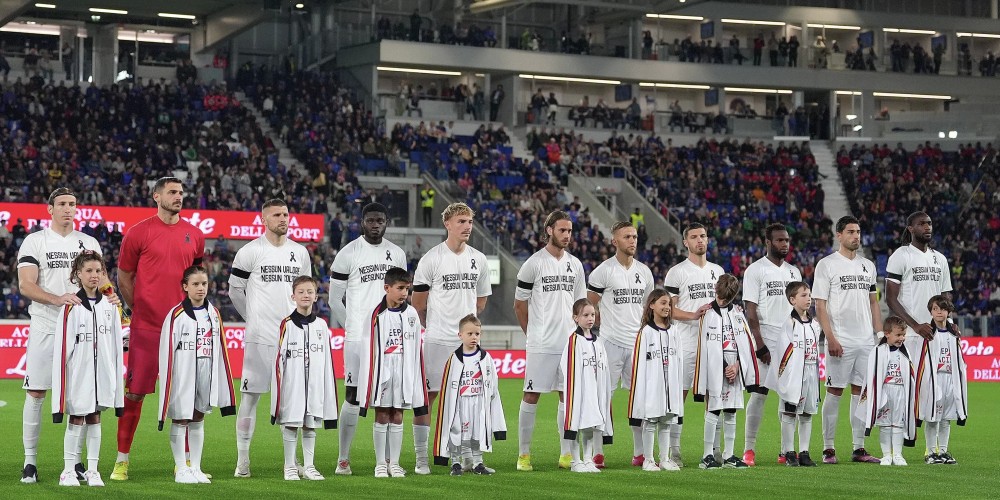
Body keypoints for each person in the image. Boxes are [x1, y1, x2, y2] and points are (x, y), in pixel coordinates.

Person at [113, 177, 206, 481]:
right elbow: (124, 276)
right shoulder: (138, 232)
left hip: (184, 330)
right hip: (148, 328)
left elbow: (196, 276)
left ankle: (186, 464)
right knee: (135, 394)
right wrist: (138, 309)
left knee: (186, 396)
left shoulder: (195, 235)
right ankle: (122, 460)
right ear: (156, 196)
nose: (179, 197)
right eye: (172, 192)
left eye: (181, 192)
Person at [18, 188, 104, 484]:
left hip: (81, 330)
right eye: (63, 204)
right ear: (50, 209)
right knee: (36, 393)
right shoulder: (35, 240)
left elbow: (101, 279)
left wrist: (111, 296)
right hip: (46, 326)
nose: (69, 209)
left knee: (80, 396)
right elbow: (26, 284)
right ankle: (30, 462)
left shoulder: (88, 242)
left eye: (73, 204)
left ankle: (75, 462)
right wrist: (57, 299)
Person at [230, 199, 312, 478]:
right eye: (276, 215)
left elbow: (305, 291)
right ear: (263, 219)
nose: (283, 218)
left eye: (286, 214)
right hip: (260, 338)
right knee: (250, 398)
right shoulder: (250, 251)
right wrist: (252, 318)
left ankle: (292, 460)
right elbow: (234, 291)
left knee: (292, 401)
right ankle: (243, 460)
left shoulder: (300, 252)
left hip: (291, 339)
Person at [411, 202, 491, 474]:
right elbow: (418, 303)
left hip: (466, 344)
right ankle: (422, 459)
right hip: (437, 341)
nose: (467, 226)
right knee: (427, 399)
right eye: (461, 221)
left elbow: (480, 302)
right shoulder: (431, 258)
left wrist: (466, 330)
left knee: (470, 399)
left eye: (469, 221)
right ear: (447, 224)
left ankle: (469, 457)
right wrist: (435, 325)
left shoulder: (479, 259)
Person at [328, 203, 406, 475]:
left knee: (389, 398)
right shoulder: (348, 253)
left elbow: (400, 294)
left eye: (380, 220)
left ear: (386, 222)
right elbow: (334, 300)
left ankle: (387, 462)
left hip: (389, 339)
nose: (375, 225)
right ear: (362, 222)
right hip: (358, 340)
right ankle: (343, 460)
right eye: (370, 220)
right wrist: (355, 328)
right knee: (352, 395)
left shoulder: (397, 254)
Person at [514, 210, 587, 471]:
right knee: (531, 395)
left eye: (569, 231)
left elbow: (580, 305)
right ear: (549, 230)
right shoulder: (533, 264)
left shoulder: (575, 265)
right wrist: (532, 334)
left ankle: (566, 454)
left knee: (567, 396)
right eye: (562, 230)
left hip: (569, 344)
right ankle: (524, 455)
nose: (567, 235)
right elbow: (519, 305)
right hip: (542, 344)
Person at [52, 251, 125, 487]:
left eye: (98, 271)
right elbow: (63, 350)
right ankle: (68, 471)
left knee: (95, 417)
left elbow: (117, 344)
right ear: (78, 274)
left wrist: (114, 376)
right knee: (76, 417)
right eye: (89, 271)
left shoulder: (110, 305)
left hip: (102, 375)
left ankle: (93, 470)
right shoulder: (71, 306)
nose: (94, 275)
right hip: (79, 375)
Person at [157, 265, 236, 484]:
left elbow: (220, 348)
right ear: (185, 286)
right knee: (181, 417)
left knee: (199, 417)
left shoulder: (214, 313)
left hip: (205, 370)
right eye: (195, 284)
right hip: (182, 372)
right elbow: (166, 350)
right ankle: (181, 468)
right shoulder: (176, 315)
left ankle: (196, 467)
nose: (201, 288)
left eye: (204, 283)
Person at [813, 215, 881, 465]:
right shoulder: (827, 265)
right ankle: (828, 448)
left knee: (861, 393)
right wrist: (830, 337)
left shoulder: (868, 266)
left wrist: (879, 334)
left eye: (858, 232)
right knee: (834, 391)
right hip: (840, 340)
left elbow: (873, 303)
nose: (856, 236)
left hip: (865, 341)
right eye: (851, 232)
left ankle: (858, 448)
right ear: (839, 235)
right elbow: (820, 305)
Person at [585, 221, 654, 466]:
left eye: (634, 236)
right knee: (602, 397)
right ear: (614, 241)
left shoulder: (644, 272)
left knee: (641, 399)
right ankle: (597, 452)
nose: (632, 240)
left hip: (637, 344)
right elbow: (589, 305)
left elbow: (648, 308)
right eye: (627, 237)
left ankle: (640, 453)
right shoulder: (603, 271)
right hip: (610, 344)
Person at [662, 223, 725, 466]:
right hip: (686, 342)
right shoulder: (677, 272)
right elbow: (668, 309)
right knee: (680, 396)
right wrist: (693, 315)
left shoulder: (717, 271)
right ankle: (674, 452)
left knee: (715, 396)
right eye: (694, 237)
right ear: (685, 242)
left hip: (713, 343)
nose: (700, 240)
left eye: (703, 236)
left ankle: (714, 450)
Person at [741, 223, 802, 466]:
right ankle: (749, 449)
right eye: (779, 240)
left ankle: (786, 450)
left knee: (789, 396)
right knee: (759, 395)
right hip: (765, 338)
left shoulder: (794, 272)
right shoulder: (755, 270)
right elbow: (750, 311)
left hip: (790, 340)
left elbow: (799, 310)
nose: (784, 244)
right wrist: (760, 344)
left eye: (786, 240)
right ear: (768, 242)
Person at [358, 267, 427, 478]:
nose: (404, 293)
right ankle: (380, 463)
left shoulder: (412, 314)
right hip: (383, 370)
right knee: (381, 413)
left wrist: (413, 376)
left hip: (403, 370)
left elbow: (416, 348)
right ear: (387, 288)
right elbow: (368, 347)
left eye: (407, 289)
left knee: (398, 414)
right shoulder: (376, 314)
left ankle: (394, 463)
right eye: (400, 288)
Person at [271, 276, 339, 481]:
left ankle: (309, 466)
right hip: (293, 384)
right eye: (301, 292)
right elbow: (279, 360)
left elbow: (327, 360)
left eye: (310, 292)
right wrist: (280, 390)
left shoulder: (321, 325)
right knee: (291, 423)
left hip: (314, 384)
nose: (305, 295)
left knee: (310, 425)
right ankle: (290, 466)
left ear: (316, 296)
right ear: (293, 296)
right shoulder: (286, 324)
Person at [692, 274, 760, 469]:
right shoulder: (707, 314)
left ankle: (728, 454)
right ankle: (707, 455)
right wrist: (724, 367)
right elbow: (705, 346)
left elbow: (746, 343)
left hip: (735, 368)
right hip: (715, 368)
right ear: (716, 290)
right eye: (720, 297)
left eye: (726, 298)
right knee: (713, 409)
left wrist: (737, 365)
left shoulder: (738, 313)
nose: (722, 301)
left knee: (731, 410)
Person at [432, 314, 506, 476]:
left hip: (478, 402)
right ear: (460, 335)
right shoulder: (454, 359)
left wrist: (490, 399)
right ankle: (456, 462)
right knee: (457, 432)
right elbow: (447, 387)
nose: (474, 337)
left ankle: (478, 463)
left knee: (477, 433)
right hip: (460, 403)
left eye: (477, 334)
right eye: (470, 333)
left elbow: (493, 383)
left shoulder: (485, 358)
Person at [885, 212, 953, 372]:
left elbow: (945, 296)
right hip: (910, 334)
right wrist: (915, 326)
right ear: (911, 229)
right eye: (921, 224)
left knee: (937, 385)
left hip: (936, 333)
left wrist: (948, 323)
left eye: (929, 223)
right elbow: (891, 299)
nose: (927, 227)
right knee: (912, 384)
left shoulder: (940, 259)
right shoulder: (901, 255)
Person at [627, 289, 683, 472]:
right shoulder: (645, 332)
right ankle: (648, 460)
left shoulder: (674, 331)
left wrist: (676, 386)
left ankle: (664, 458)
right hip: (652, 385)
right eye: (663, 303)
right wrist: (641, 391)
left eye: (669, 304)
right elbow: (638, 364)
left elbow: (679, 361)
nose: (667, 307)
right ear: (652, 305)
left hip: (670, 385)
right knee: (651, 421)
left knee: (666, 422)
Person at [766, 281, 820, 467]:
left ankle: (804, 452)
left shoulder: (815, 324)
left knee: (807, 414)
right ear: (792, 300)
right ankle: (789, 452)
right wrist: (786, 379)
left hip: (811, 374)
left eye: (809, 295)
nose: (808, 299)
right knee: (789, 413)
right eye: (803, 295)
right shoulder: (789, 324)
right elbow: (783, 353)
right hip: (794, 375)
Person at [855, 317, 916, 466]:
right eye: (898, 335)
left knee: (898, 424)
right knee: (885, 424)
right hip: (884, 392)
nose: (901, 338)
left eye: (903, 335)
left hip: (900, 391)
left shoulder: (905, 352)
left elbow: (910, 374)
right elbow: (872, 376)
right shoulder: (877, 351)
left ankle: (898, 455)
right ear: (887, 334)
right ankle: (887, 455)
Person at [561, 299, 612, 473]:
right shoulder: (574, 340)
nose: (590, 318)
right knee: (577, 422)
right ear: (576, 318)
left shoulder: (598, 341)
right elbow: (568, 367)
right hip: (580, 390)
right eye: (585, 315)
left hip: (595, 390)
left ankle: (588, 459)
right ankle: (576, 461)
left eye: (592, 315)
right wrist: (579, 388)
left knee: (591, 424)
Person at [915, 295, 967, 465]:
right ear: (930, 311)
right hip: (934, 380)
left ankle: (943, 452)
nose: (939, 312)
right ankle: (931, 453)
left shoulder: (954, 333)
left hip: (950, 379)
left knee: (946, 417)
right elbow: (921, 359)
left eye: (943, 309)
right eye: (935, 309)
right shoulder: (927, 333)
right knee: (932, 416)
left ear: (948, 311)